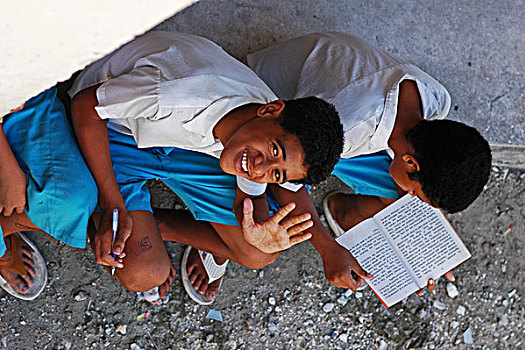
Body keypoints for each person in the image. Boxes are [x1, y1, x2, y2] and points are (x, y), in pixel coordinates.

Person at [68, 31, 345, 304]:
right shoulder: (175, 94)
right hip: (116, 129)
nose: (260, 167)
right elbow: (85, 106)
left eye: (277, 174)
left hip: (182, 145)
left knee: (258, 254)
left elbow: (254, 194)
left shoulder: (252, 138)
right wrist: (112, 202)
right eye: (274, 150)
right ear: (270, 110)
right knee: (144, 272)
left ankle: (152, 224)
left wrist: (256, 229)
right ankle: (113, 217)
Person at [245, 32, 492, 292]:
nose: (412, 195)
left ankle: (344, 211)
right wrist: (327, 248)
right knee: (263, 234)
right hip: (267, 111)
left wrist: (425, 247)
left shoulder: (435, 102)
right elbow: (286, 180)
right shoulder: (347, 128)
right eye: (415, 192)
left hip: (327, 108)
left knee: (404, 209)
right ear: (410, 163)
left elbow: (422, 179)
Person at [0, 87, 98, 300]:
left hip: (20, 99)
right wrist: (7, 170)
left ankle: (7, 224)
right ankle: (5, 236)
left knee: (73, 201)